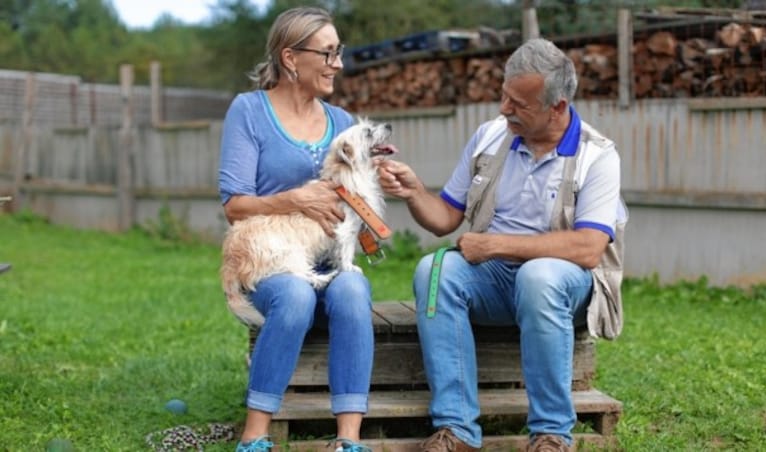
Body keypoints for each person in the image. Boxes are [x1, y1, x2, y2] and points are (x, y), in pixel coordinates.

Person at [377, 38, 627, 452]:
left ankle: (551, 435)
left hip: (566, 284)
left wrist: (495, 246)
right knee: (434, 269)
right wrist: (414, 191)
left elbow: (587, 248)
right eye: (504, 96)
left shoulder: (597, 156)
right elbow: (444, 219)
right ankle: (456, 430)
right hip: (494, 281)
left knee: (539, 276)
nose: (504, 110)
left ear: (558, 107)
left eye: (518, 103)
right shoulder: (490, 136)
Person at [218, 7, 374, 452]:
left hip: (327, 259)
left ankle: (348, 440)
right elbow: (234, 205)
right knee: (295, 295)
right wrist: (291, 199)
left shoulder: (342, 123)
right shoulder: (248, 111)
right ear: (290, 58)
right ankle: (255, 435)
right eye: (327, 53)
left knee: (352, 291)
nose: (337, 64)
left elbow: (355, 200)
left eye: (338, 52)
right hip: (268, 263)